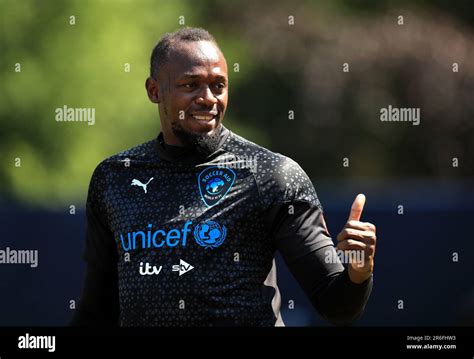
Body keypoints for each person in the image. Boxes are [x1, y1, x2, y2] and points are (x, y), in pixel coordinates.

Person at [71, 27, 377, 327]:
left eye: (218, 85)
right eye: (190, 85)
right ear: (154, 90)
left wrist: (359, 272)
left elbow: (337, 306)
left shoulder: (270, 175)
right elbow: (97, 310)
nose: (208, 99)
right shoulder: (115, 177)